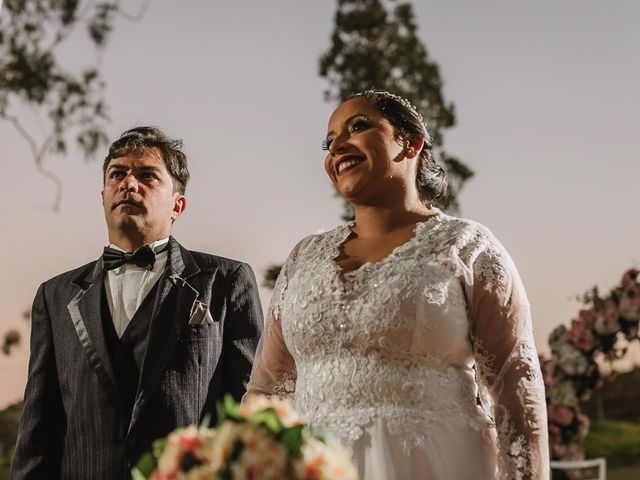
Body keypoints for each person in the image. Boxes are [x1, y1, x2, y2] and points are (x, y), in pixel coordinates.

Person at [246, 91, 549, 479]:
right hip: (315, 467)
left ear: (411, 142)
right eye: (329, 140)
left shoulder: (467, 246)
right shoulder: (304, 256)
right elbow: (267, 392)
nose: (337, 145)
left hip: (434, 463)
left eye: (358, 126)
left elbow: (515, 385)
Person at [12, 127, 263, 479]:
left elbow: (249, 409)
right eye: (118, 174)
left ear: (178, 205)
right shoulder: (54, 295)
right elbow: (39, 427)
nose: (129, 184)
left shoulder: (227, 280)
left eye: (147, 175)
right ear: (102, 196)